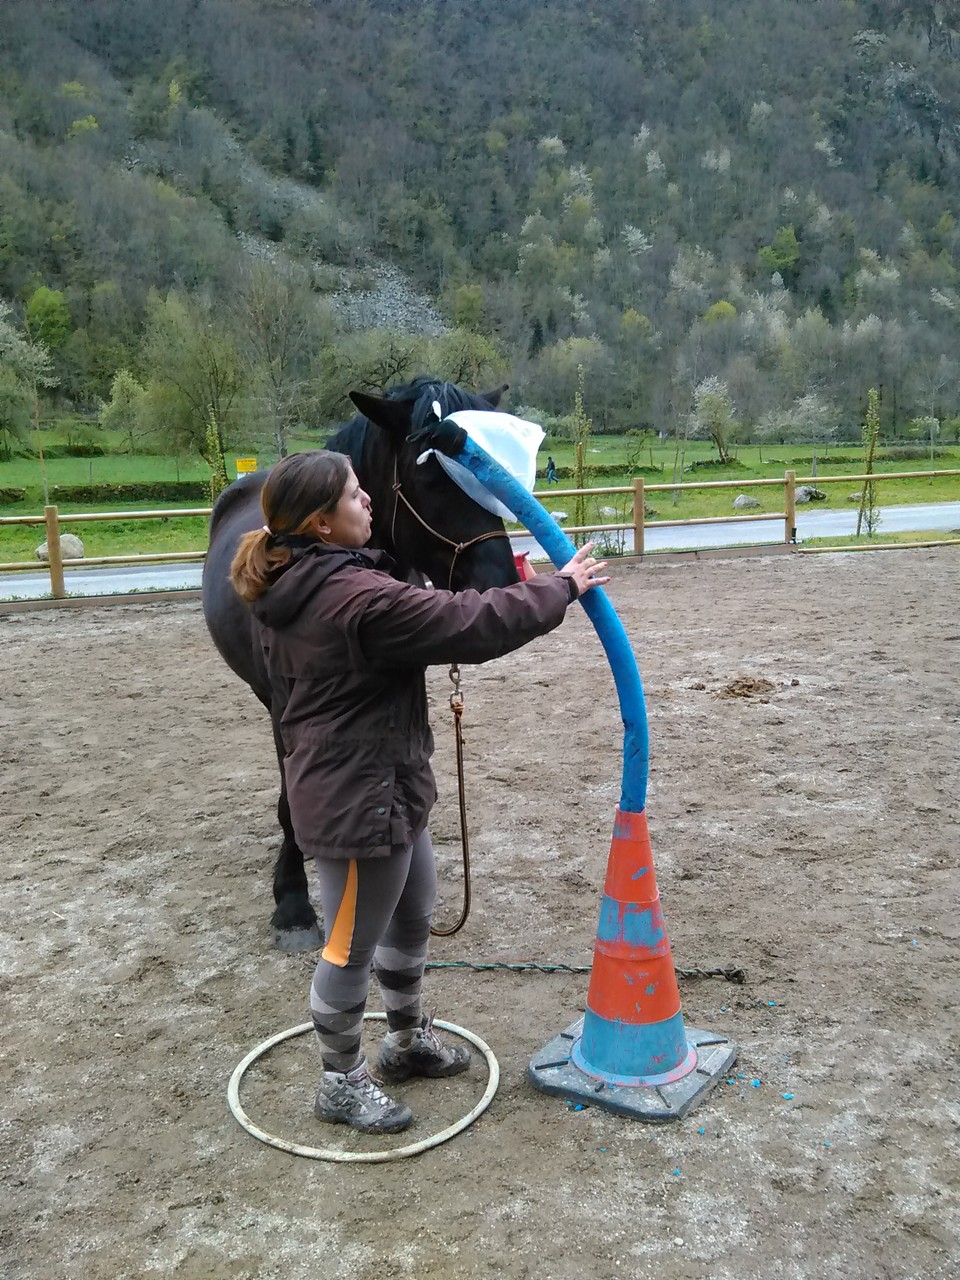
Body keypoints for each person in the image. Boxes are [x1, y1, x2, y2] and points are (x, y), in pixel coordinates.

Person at [230, 424, 610, 1135]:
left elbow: (427, 605)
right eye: (353, 493)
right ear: (321, 523)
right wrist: (562, 589)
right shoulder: (349, 599)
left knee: (412, 911)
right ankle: (340, 1082)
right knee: (347, 945)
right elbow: (465, 622)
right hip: (354, 801)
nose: (367, 499)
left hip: (385, 784)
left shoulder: (317, 577)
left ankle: (403, 1039)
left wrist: (524, 582)